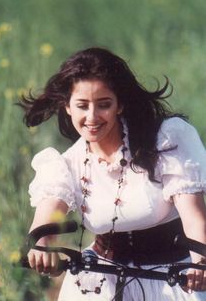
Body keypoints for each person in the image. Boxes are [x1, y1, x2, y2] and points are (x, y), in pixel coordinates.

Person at [19, 47, 206, 300]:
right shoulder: (65, 164)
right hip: (97, 283)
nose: (92, 117)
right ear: (67, 107)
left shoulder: (166, 141)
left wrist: (201, 261)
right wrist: (41, 245)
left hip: (170, 279)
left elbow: (194, 218)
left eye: (104, 105)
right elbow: (47, 219)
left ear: (119, 105)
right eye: (82, 106)